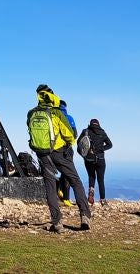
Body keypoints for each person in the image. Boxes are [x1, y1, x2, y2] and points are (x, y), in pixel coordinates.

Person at [26, 84, 90, 232]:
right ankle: (85, 216)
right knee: (75, 181)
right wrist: (69, 143)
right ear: (52, 96)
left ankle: (57, 223)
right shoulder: (57, 113)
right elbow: (70, 134)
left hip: (42, 154)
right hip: (60, 153)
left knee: (50, 187)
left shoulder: (31, 113)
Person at [78, 117, 112, 205]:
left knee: (91, 177)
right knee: (101, 180)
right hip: (100, 159)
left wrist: (84, 154)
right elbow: (110, 145)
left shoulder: (85, 131)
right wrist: (100, 149)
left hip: (89, 158)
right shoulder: (102, 132)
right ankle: (103, 200)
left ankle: (91, 193)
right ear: (98, 124)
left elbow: (79, 143)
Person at [58, 99, 78, 205]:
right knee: (67, 172)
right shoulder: (69, 118)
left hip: (53, 149)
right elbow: (75, 134)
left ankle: (59, 189)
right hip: (67, 149)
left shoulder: (53, 117)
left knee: (61, 170)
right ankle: (66, 199)